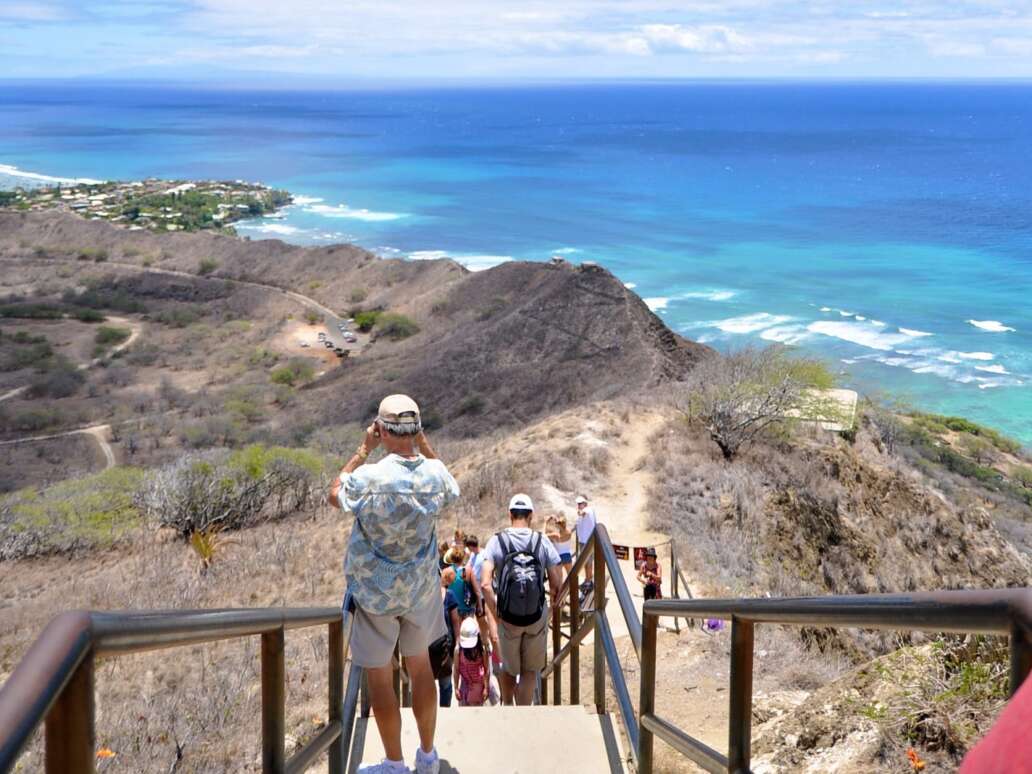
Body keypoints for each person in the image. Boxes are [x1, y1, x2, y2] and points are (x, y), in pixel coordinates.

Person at [329, 394, 459, 774]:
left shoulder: (370, 477)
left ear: (381, 430)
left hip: (374, 594)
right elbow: (449, 484)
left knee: (380, 677)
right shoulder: (434, 477)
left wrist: (361, 450)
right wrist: (423, 443)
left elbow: (334, 494)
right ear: (416, 430)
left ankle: (395, 764)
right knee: (422, 670)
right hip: (419, 592)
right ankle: (429, 756)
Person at [480, 494, 563, 706]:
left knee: (509, 668)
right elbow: (556, 582)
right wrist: (550, 610)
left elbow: (485, 584)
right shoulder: (541, 540)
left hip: (508, 617)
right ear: (531, 516)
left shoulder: (497, 541)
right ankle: (525, 713)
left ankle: (508, 706)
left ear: (510, 515)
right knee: (529, 670)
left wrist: (498, 612)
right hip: (535, 616)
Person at [434, 568, 463, 708]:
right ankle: (430, 713)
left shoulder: (449, 596)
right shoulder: (422, 599)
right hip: (426, 646)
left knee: (445, 683)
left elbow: (455, 621)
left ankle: (444, 711)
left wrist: (458, 642)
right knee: (428, 683)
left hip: (445, 645)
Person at [454, 618, 490, 706]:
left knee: (476, 707)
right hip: (465, 683)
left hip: (479, 684)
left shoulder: (482, 650)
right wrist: (456, 687)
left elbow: (487, 669)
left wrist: (486, 687)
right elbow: (456, 669)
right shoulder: (458, 650)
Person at [575, 495, 598, 584]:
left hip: (587, 541)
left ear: (585, 503)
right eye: (578, 504)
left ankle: (588, 580)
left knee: (588, 561)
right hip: (584, 540)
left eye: (580, 503)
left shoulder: (588, 510)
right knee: (585, 561)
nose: (579, 505)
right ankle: (588, 578)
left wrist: (580, 512)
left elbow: (583, 512)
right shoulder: (588, 510)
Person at [547, 514, 574, 579]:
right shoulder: (569, 533)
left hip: (558, 557)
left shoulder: (555, 535)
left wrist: (547, 522)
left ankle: (561, 589)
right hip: (567, 555)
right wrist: (558, 521)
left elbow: (544, 535)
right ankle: (572, 588)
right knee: (571, 575)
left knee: (559, 577)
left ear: (558, 526)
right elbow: (564, 527)